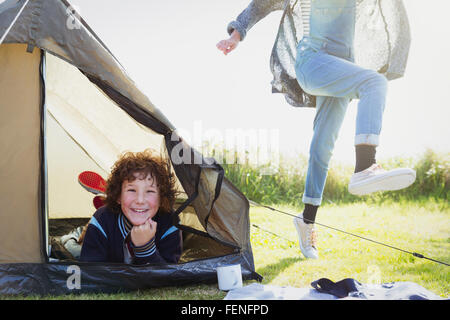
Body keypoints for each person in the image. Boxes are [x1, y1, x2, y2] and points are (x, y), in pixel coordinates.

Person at [217, 0, 415, 259]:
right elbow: (260, 5)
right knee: (374, 83)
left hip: (342, 64)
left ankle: (306, 220)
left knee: (324, 143)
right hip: (314, 61)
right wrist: (236, 34)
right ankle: (366, 165)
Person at [80, 149, 182, 264]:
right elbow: (91, 273)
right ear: (118, 196)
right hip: (94, 241)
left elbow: (168, 277)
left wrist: (145, 247)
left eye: (150, 191)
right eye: (132, 190)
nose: (140, 200)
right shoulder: (101, 219)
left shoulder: (170, 222)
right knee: (72, 247)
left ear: (161, 198)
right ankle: (77, 233)